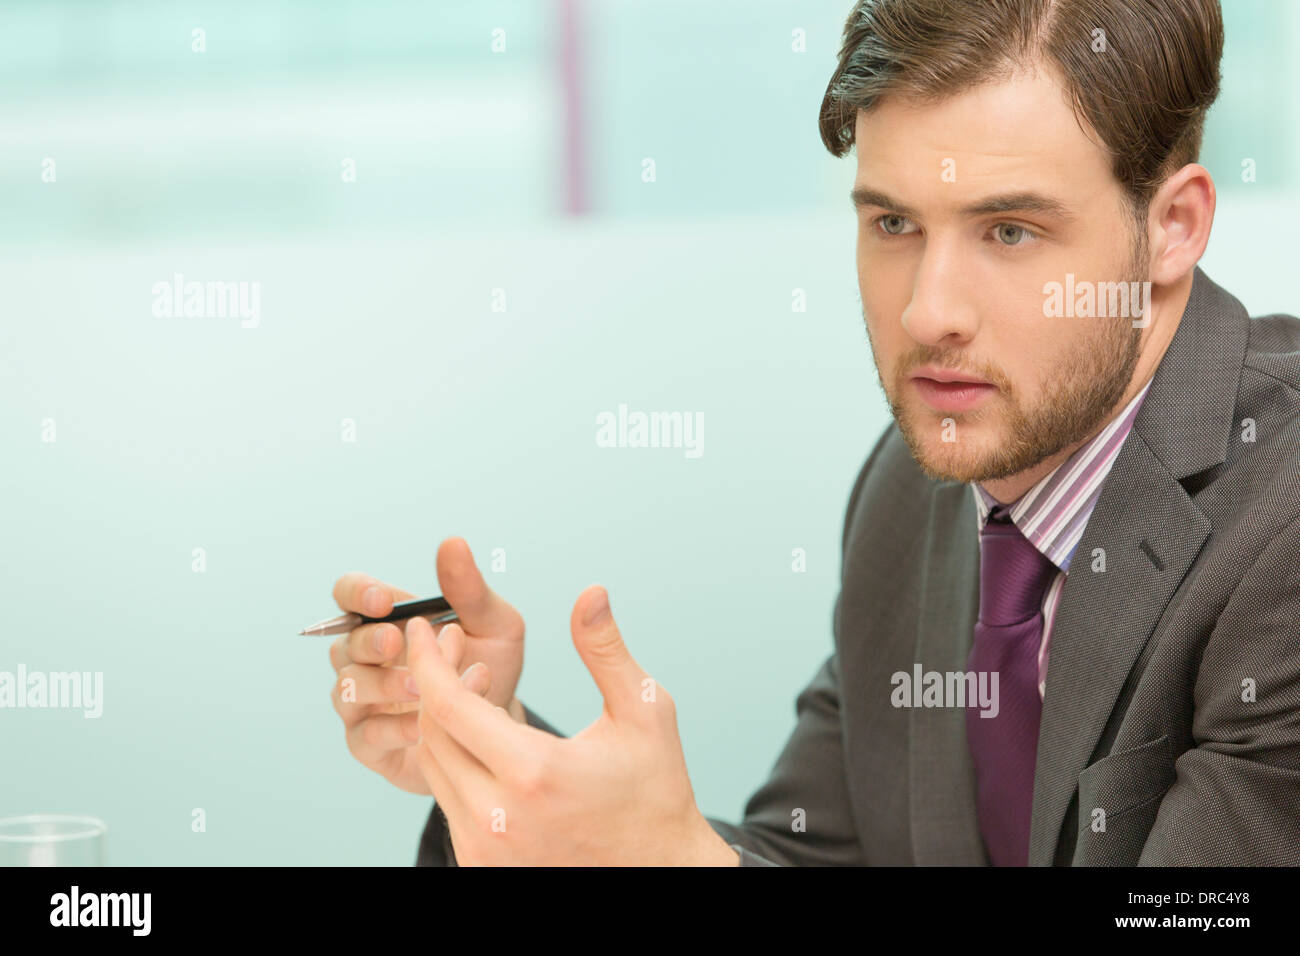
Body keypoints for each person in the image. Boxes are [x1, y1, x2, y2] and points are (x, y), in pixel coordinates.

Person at [328, 0, 1300, 865]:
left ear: (1172, 226)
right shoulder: (912, 488)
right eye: (892, 225)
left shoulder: (1283, 526)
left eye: (1007, 231)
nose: (928, 313)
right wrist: (504, 760)